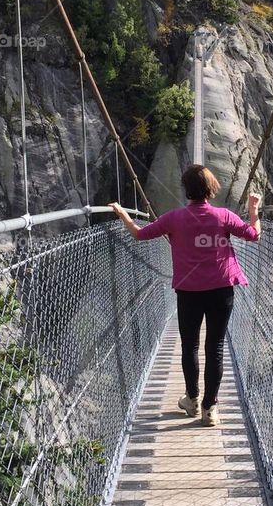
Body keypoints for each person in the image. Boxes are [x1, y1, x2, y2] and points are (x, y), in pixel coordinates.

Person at [111, 165, 261, 427]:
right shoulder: (224, 216)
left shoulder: (173, 218)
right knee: (214, 348)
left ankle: (191, 399)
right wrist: (253, 209)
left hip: (188, 292)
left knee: (190, 346)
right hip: (221, 290)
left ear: (186, 189)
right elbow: (254, 235)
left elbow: (138, 234)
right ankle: (210, 409)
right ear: (211, 189)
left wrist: (123, 213)